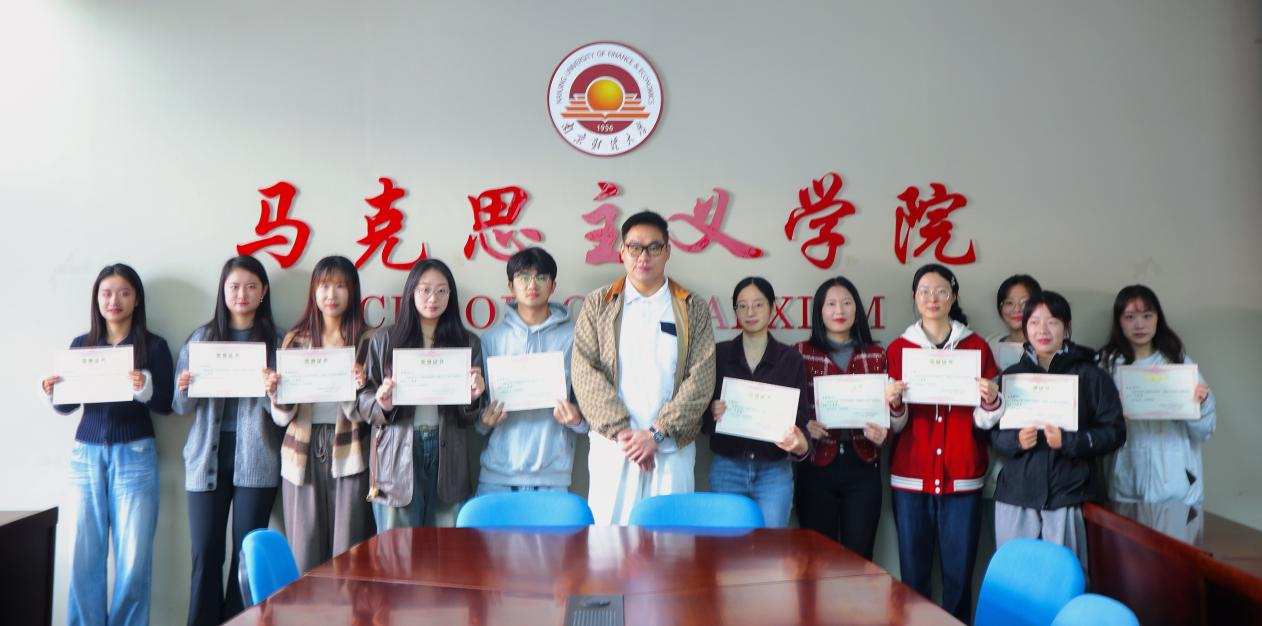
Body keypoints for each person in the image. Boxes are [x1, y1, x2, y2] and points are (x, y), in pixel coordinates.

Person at [42, 263, 173, 626]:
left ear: (137, 300)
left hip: (136, 453)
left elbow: (167, 404)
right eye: (107, 293)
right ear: (96, 299)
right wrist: (52, 392)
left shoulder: (154, 346)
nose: (114, 300)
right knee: (84, 554)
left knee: (134, 558)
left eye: (124, 293)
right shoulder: (81, 345)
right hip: (85, 455)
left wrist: (144, 388)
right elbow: (67, 406)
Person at [571, 210, 717, 525]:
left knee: (671, 542)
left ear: (667, 251)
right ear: (622, 252)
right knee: (609, 541)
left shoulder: (692, 306)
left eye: (653, 247)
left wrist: (657, 433)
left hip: (671, 448)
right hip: (614, 447)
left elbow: (701, 378)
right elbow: (584, 371)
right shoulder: (599, 303)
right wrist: (624, 433)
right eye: (635, 247)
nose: (644, 256)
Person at [885, 263, 1003, 622]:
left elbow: (985, 421)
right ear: (914, 298)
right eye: (924, 291)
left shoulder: (976, 347)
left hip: (962, 475)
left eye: (941, 291)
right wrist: (894, 404)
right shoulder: (899, 349)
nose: (932, 298)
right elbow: (895, 425)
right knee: (913, 575)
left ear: (953, 297)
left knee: (959, 576)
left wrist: (990, 399)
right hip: (911, 477)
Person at [173, 255, 283, 626]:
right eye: (234, 286)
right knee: (205, 553)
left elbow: (285, 412)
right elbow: (180, 407)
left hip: (258, 458)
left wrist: (273, 390)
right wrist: (184, 387)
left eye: (251, 286)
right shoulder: (201, 339)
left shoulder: (277, 341)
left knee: (246, 556)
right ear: (223, 290)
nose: (242, 294)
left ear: (263, 291)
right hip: (206, 459)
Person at [990, 291, 1126, 567]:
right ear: (1025, 328)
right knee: (1014, 578)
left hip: (1070, 495)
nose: (1042, 330)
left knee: (1064, 577)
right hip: (1016, 494)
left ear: (1066, 327)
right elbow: (991, 434)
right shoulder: (1012, 376)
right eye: (1034, 322)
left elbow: (1114, 432)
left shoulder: (1091, 375)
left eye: (1052, 322)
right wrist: (1016, 440)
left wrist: (1070, 441)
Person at [263, 256, 374, 572]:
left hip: (351, 451)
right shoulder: (295, 339)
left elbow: (372, 411)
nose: (331, 294)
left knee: (349, 554)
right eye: (324, 286)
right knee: (304, 551)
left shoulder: (367, 340)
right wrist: (276, 393)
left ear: (353, 292)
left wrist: (361, 385)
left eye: (340, 286)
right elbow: (282, 417)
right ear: (313, 290)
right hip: (302, 451)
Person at [359, 258, 487, 529]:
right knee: (398, 549)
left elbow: (471, 418)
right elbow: (363, 400)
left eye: (442, 291)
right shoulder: (384, 340)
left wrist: (473, 399)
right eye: (425, 290)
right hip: (396, 454)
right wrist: (382, 404)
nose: (433, 298)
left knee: (447, 547)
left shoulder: (467, 343)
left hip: (448, 452)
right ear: (411, 292)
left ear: (451, 295)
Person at [791, 276, 897, 559]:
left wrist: (883, 434)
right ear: (819, 311)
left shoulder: (876, 354)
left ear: (857, 309)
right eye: (831, 304)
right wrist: (804, 426)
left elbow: (891, 413)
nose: (839, 310)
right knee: (816, 558)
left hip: (862, 466)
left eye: (847, 303)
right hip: (816, 465)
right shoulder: (800, 353)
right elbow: (788, 408)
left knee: (860, 558)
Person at [475, 247, 587, 494]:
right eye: (523, 277)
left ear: (553, 286)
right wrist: (484, 422)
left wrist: (577, 421)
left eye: (541, 277)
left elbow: (589, 406)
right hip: (497, 474)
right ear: (511, 285)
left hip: (553, 475)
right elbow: (477, 414)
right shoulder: (492, 339)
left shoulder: (575, 339)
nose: (532, 284)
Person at [703, 276, 810, 528]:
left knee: (771, 548)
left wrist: (799, 443)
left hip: (774, 472)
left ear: (772, 308)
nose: (750, 312)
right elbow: (701, 418)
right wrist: (711, 412)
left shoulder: (790, 359)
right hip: (727, 467)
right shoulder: (718, 355)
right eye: (742, 306)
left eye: (758, 305)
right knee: (726, 546)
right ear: (735, 311)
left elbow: (801, 421)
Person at [1098, 285, 1214, 506]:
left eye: (1147, 315)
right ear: (1119, 321)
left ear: (1157, 318)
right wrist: (1114, 418)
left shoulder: (1179, 363)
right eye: (1129, 317)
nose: (1139, 324)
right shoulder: (1107, 366)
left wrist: (1201, 404)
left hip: (1179, 487)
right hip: (1126, 483)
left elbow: (1205, 431)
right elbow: (1097, 430)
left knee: (1177, 530)